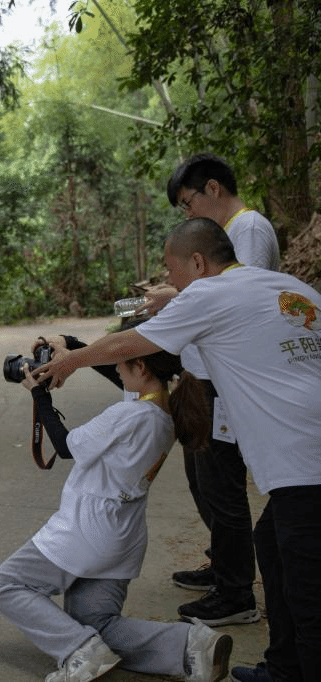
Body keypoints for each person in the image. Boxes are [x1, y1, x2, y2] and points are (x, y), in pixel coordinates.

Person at [33, 217, 321, 682]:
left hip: (305, 464)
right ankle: (285, 667)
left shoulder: (209, 294)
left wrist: (71, 360)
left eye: (172, 271)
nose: (171, 282)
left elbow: (129, 344)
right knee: (271, 547)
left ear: (198, 262)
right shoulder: (291, 288)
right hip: (306, 457)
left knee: (308, 589)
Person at [0, 334, 231, 682]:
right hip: (124, 538)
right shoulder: (165, 414)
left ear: (141, 366)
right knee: (95, 622)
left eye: (122, 361)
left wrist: (39, 395)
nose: (116, 368)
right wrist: (71, 345)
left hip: (86, 531)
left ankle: (80, 652)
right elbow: (119, 373)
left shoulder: (128, 414)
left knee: (7, 584)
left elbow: (66, 446)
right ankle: (190, 647)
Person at [138, 152, 278, 627]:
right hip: (203, 376)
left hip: (226, 381)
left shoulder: (248, 228)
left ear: (212, 189)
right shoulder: (229, 231)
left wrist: (174, 296)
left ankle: (236, 593)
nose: (187, 213)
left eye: (188, 202)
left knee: (222, 487)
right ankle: (224, 566)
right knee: (204, 480)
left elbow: (239, 295)